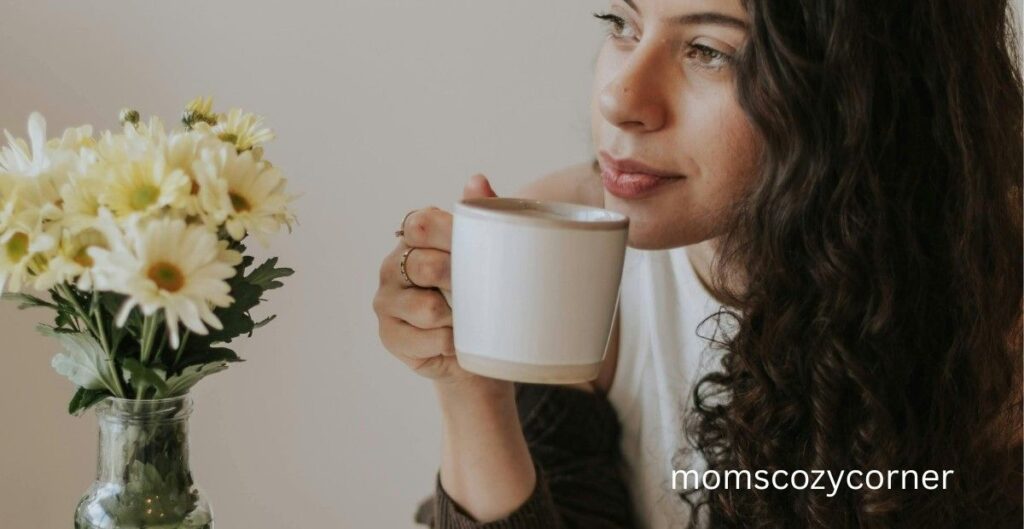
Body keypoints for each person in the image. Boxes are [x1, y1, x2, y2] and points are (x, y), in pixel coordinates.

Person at [372, 0, 1023, 527]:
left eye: (709, 50)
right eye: (623, 25)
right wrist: (472, 387)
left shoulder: (994, 308)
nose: (620, 98)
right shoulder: (570, 244)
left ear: (857, 91)